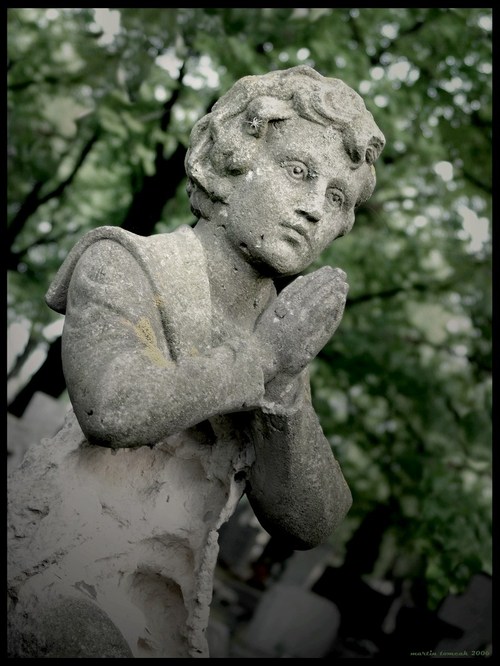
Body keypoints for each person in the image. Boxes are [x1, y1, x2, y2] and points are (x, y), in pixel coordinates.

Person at [8, 65, 385, 658]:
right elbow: (111, 408)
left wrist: (284, 385)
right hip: (57, 566)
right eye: (298, 171)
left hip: (167, 608)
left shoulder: (276, 336)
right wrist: (261, 361)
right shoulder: (124, 262)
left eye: (337, 196)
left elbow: (311, 520)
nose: (315, 208)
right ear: (230, 163)